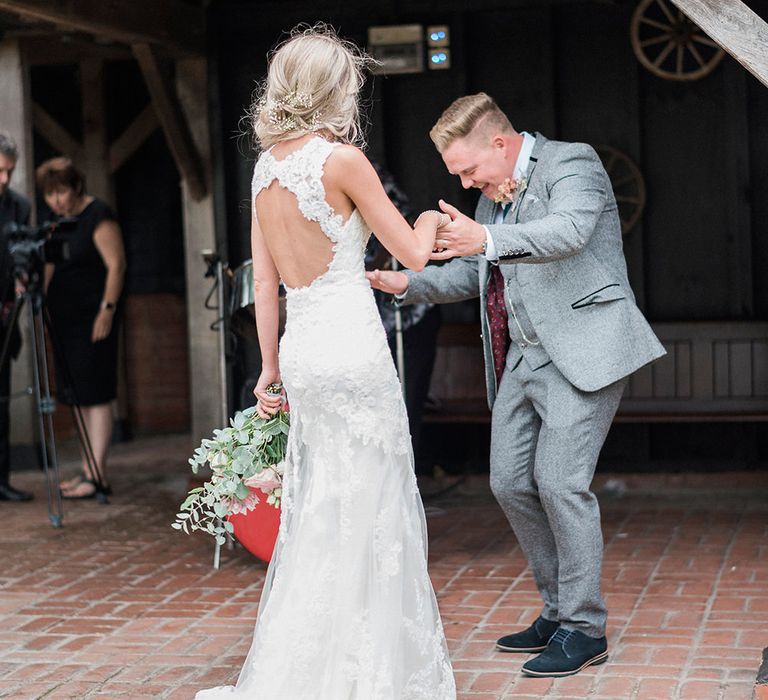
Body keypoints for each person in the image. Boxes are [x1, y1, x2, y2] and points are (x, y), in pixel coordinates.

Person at [195, 27, 455, 699]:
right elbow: (413, 254)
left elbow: (264, 281)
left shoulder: (264, 169)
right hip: (353, 346)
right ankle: (369, 675)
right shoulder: (343, 161)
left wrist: (268, 369)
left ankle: (308, 668)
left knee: (321, 510)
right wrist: (426, 216)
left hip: (306, 351)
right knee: (374, 509)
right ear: (332, 90)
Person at [368, 93, 666, 678]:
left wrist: (487, 239)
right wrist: (406, 284)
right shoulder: (489, 197)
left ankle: (584, 627)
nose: (464, 180)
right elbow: (477, 270)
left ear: (500, 144)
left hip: (585, 348)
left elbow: (570, 232)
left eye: (468, 168)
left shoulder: (571, 164)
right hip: (521, 359)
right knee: (508, 483)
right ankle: (557, 612)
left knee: (560, 482)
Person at [36, 158, 126, 500]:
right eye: (49, 194)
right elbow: (48, 266)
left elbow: (116, 265)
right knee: (76, 394)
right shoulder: (56, 222)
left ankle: (97, 474)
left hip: (94, 316)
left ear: (75, 186)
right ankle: (87, 468)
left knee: (96, 392)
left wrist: (107, 310)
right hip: (65, 320)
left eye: (61, 191)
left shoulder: (97, 216)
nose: (56, 200)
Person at [365, 161, 442, 477]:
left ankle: (406, 473)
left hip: (408, 314)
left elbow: (404, 229)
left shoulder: (371, 175)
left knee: (407, 396)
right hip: (369, 311)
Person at [0, 131, 33, 502]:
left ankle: (2, 479)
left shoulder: (18, 207)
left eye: (9, 170)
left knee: (2, 402)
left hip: (5, 316)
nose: (5, 179)